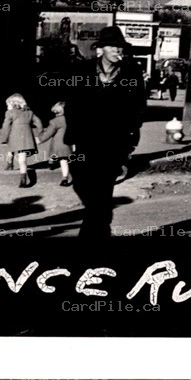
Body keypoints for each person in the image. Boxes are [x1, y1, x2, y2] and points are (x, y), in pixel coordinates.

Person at [62, 25, 146, 238]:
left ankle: (93, 235)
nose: (119, 51)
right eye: (114, 47)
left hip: (114, 141)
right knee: (82, 182)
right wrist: (72, 133)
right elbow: (72, 103)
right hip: (85, 139)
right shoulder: (82, 71)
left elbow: (138, 105)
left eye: (121, 47)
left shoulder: (132, 72)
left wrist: (132, 134)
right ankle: (99, 225)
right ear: (102, 48)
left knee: (103, 187)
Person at [0, 93, 44, 188]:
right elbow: (38, 122)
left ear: (13, 104)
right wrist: (40, 133)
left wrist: (4, 139)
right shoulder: (29, 113)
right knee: (22, 160)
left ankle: (9, 164)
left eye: (8, 104)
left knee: (11, 148)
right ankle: (23, 179)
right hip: (26, 139)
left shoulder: (10, 113)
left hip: (14, 137)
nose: (7, 107)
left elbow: (5, 126)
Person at [38, 100, 74, 187]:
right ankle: (64, 178)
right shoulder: (69, 120)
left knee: (54, 156)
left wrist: (40, 140)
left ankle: (51, 164)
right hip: (67, 144)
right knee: (64, 161)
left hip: (57, 144)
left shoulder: (54, 121)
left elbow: (49, 133)